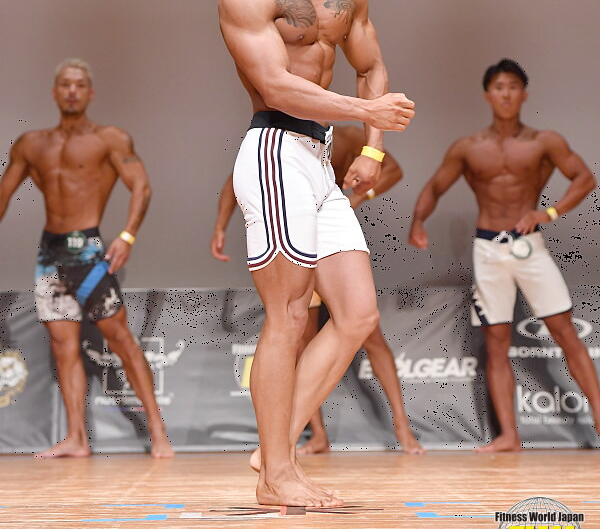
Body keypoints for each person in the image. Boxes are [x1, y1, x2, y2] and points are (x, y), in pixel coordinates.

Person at [218, 0, 415, 506]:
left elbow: (371, 66)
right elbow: (277, 85)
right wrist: (366, 114)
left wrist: (373, 151)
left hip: (319, 157)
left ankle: (272, 452)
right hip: (275, 151)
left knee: (357, 313)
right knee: (288, 315)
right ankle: (278, 474)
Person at [408, 58, 598, 452]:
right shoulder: (468, 147)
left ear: (524, 94)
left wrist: (549, 212)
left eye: (513, 86)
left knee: (565, 332)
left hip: (529, 247)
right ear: (487, 96)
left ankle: (599, 415)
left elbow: (585, 178)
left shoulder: (545, 141)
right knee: (496, 343)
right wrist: (418, 221)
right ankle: (509, 435)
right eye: (498, 87)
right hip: (488, 250)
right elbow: (436, 186)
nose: (506, 94)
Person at [211, 124, 423, 455]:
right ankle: (312, 435)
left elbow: (392, 169)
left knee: (368, 330)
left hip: (330, 238)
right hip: (299, 238)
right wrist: (220, 226)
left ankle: (403, 428)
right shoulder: (276, 140)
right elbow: (232, 181)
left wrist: (357, 198)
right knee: (298, 337)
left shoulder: (347, 136)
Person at [0, 59, 173, 458]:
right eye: (65, 84)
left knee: (122, 340)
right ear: (55, 92)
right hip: (51, 255)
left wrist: (127, 235)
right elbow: (4, 195)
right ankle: (76, 438)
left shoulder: (109, 139)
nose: (72, 91)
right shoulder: (31, 144)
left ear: (90, 93)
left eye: (79, 85)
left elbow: (142, 187)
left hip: (91, 253)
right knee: (64, 348)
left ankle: (158, 431)